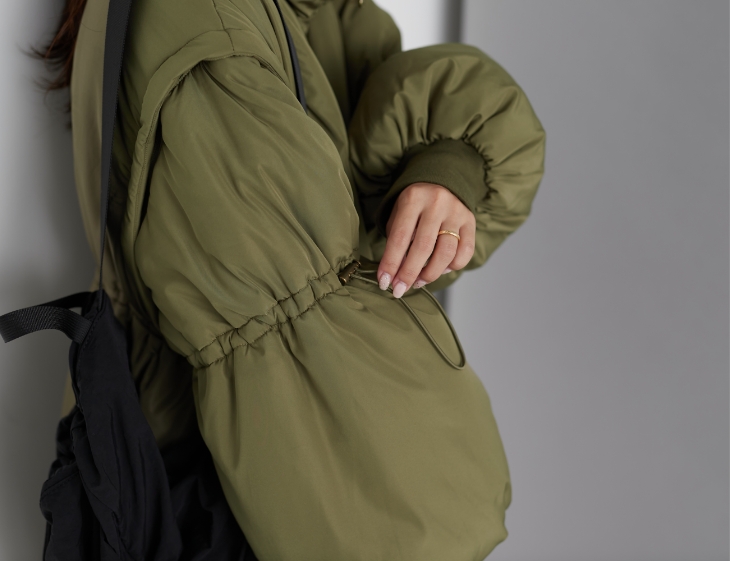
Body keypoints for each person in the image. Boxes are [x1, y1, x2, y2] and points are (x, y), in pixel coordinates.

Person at [40, 0, 545, 558]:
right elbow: (290, 325)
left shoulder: (310, 14)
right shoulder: (208, 32)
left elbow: (396, 110)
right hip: (236, 492)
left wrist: (446, 168)